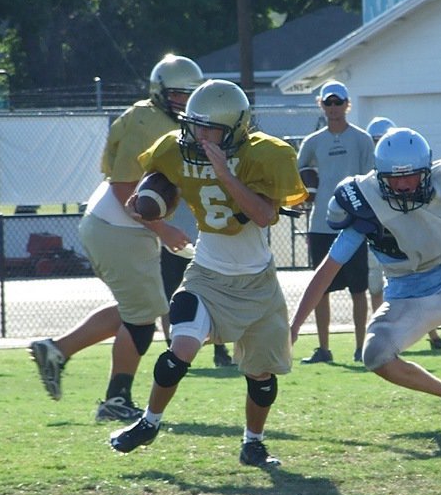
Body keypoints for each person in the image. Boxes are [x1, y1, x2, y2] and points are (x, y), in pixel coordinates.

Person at [108, 80, 308, 467]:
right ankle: (149, 423)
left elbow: (266, 216)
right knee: (179, 351)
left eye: (207, 128)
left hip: (258, 282)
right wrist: (146, 206)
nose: (197, 135)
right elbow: (156, 187)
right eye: (194, 125)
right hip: (207, 273)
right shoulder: (174, 149)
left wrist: (225, 173)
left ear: (234, 127)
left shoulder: (265, 154)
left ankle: (254, 443)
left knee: (262, 375)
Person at [290, 127, 441, 428]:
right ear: (379, 175)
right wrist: (294, 327)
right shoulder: (367, 200)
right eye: (393, 178)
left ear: (426, 171)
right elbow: (327, 270)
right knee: (374, 354)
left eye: (410, 176)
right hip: (406, 296)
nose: (402, 185)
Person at [27, 54, 199, 420]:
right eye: (180, 94)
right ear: (160, 92)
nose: (186, 101)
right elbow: (124, 188)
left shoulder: (168, 121)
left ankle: (56, 350)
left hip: (119, 227)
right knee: (141, 321)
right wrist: (162, 228)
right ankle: (115, 401)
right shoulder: (145, 120)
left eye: (192, 94)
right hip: (118, 225)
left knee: (135, 310)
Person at [296, 82, 376, 364]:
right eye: (328, 103)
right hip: (322, 224)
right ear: (321, 105)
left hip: (355, 224)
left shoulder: (362, 139)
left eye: (338, 102)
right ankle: (323, 348)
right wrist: (305, 191)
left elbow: (371, 180)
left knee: (358, 289)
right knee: (321, 290)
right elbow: (299, 173)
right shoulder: (313, 141)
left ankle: (360, 347)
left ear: (347, 104)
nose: (333, 108)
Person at [367, 116, 441, 351]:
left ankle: (432, 335)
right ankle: (384, 332)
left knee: (425, 281)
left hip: (413, 240)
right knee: (378, 287)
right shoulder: (368, 183)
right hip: (379, 239)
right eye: (377, 140)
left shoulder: (427, 178)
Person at [160, 198, 233, 367]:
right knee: (168, 298)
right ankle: (172, 352)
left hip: (202, 244)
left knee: (213, 296)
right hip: (171, 244)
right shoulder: (167, 175)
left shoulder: (211, 173)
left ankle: (220, 351)